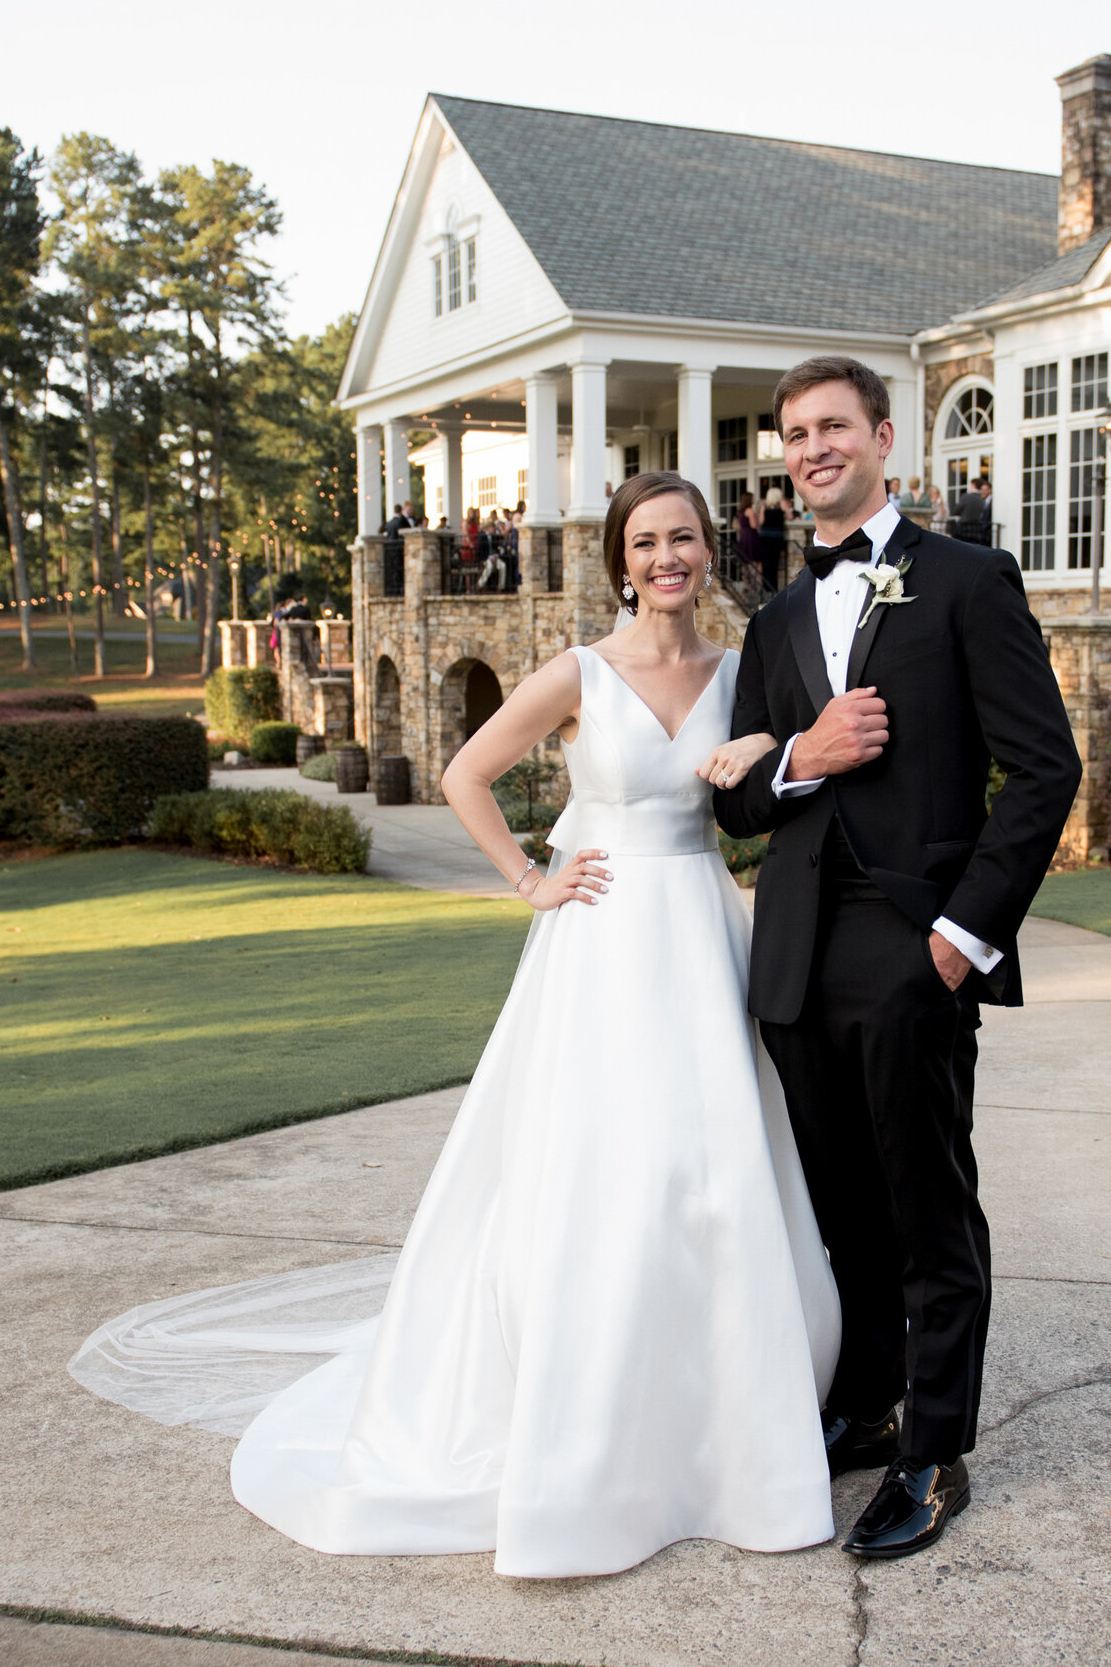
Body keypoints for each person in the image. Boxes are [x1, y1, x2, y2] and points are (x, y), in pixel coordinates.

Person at [70, 471, 837, 1581]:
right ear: (619, 559)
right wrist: (529, 875)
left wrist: (758, 756)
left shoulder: (739, 673)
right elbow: (466, 768)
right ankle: (590, 1429)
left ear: (708, 551)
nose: (667, 557)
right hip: (606, 942)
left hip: (705, 936)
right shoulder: (580, 670)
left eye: (684, 539)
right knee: (605, 1172)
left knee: (714, 1171)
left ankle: (723, 1427)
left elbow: (762, 793)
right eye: (646, 541)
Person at [714, 356, 1079, 1561]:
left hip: (913, 945)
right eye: (793, 434)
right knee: (842, 1212)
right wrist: (806, 751)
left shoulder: (970, 581)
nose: (811, 447)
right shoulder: (769, 622)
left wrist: (960, 938)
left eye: (833, 427)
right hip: (795, 957)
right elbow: (743, 806)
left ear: (883, 439)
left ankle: (934, 1446)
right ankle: (867, 1404)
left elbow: (1045, 770)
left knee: (928, 1212)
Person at [947, 475, 993, 546]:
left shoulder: (966, 497)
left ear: (973, 485)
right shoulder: (983, 499)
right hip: (978, 531)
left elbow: (955, 511)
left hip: (964, 530)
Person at [759, 486, 789, 593]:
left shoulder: (764, 507)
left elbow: (761, 522)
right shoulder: (782, 505)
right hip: (776, 538)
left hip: (765, 537)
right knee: (773, 564)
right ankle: (772, 589)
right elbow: (790, 516)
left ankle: (767, 589)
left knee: (767, 564)